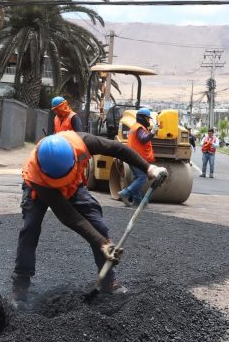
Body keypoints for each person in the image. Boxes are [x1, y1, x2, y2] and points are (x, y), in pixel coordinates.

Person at [11, 130, 167, 307]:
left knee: (98, 225)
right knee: (30, 229)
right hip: (39, 190)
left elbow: (118, 148)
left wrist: (148, 168)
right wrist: (102, 243)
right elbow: (69, 216)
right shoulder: (38, 175)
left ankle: (108, 280)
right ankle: (21, 285)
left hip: (73, 184)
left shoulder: (83, 143)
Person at [118, 108, 158, 207]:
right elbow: (143, 139)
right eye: (148, 119)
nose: (148, 121)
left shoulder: (135, 127)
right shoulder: (139, 128)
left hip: (131, 156)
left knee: (138, 178)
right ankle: (125, 193)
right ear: (142, 118)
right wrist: (152, 132)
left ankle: (138, 202)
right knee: (142, 178)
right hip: (136, 157)